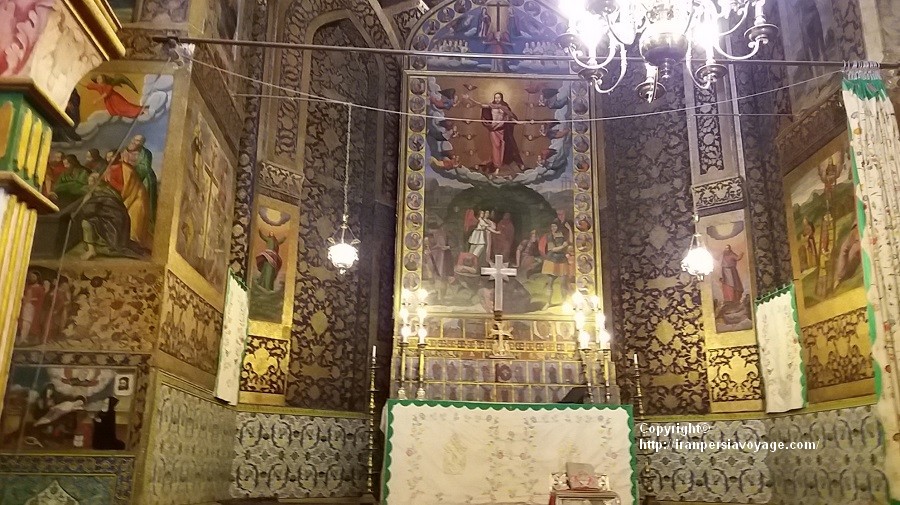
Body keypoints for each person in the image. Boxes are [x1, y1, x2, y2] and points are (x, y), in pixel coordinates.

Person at [103, 150, 152, 248]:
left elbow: (126, 187)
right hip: (122, 198)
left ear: (118, 157)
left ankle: (135, 242)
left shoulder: (127, 170)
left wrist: (111, 182)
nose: (109, 159)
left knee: (134, 220)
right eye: (108, 157)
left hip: (135, 197)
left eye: (112, 156)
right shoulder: (107, 170)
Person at [465, 92, 523, 174]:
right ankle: (496, 166)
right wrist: (469, 99)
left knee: (502, 147)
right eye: (496, 97)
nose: (497, 99)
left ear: (501, 98)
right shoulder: (491, 106)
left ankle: (499, 165)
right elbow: (480, 105)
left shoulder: (504, 107)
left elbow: (510, 117)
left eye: (498, 97)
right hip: (493, 130)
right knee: (496, 147)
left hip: (502, 130)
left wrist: (518, 122)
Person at [121, 135, 158, 221]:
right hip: (127, 177)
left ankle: (147, 219)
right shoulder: (124, 150)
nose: (134, 142)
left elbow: (145, 168)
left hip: (143, 179)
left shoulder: (146, 153)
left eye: (138, 141)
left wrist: (133, 174)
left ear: (142, 144)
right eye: (134, 139)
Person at [540, 221, 573, 308]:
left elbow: (570, 241)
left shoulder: (561, 234)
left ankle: (564, 302)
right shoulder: (549, 236)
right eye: (552, 226)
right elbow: (553, 249)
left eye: (555, 226)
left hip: (562, 260)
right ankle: (548, 302)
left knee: (563, 283)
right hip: (552, 260)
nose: (553, 228)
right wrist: (563, 246)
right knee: (550, 282)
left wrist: (569, 229)